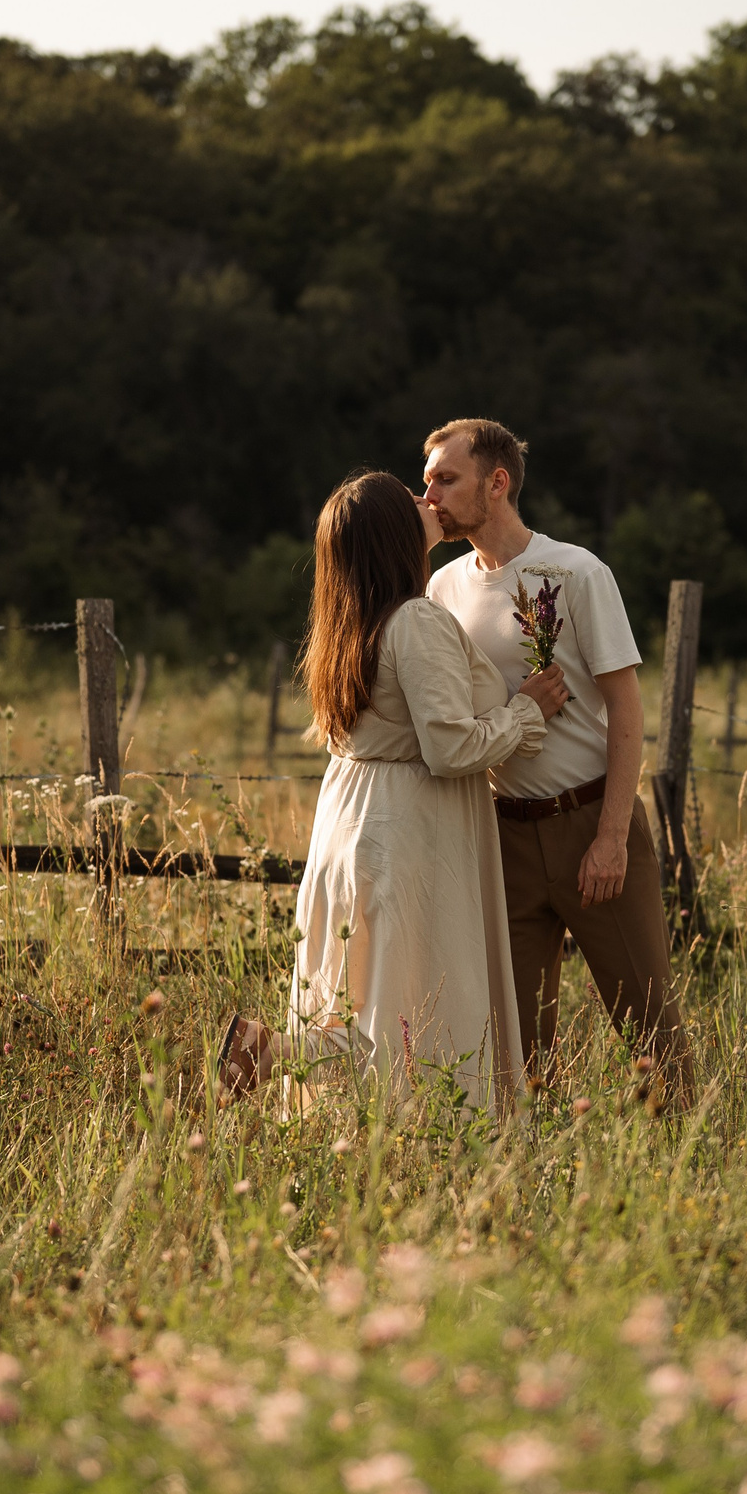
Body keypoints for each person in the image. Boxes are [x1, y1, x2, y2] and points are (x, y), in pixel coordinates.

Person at [223, 470, 570, 1113]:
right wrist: (526, 711)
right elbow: (450, 747)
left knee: (367, 995)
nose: (426, 501)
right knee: (410, 1007)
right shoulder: (415, 620)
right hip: (407, 826)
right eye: (409, 502)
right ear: (390, 533)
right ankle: (278, 1055)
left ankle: (279, 1057)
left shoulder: (346, 624)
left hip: (349, 821)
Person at [420, 418, 695, 1106]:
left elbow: (626, 709)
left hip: (590, 824)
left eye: (445, 479)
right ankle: (539, 1183)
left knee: (650, 1026)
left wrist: (610, 837)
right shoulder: (441, 588)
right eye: (427, 480)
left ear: (498, 481)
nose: (429, 495)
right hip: (501, 836)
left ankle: (694, 1162)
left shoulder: (576, 572)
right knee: (515, 1044)